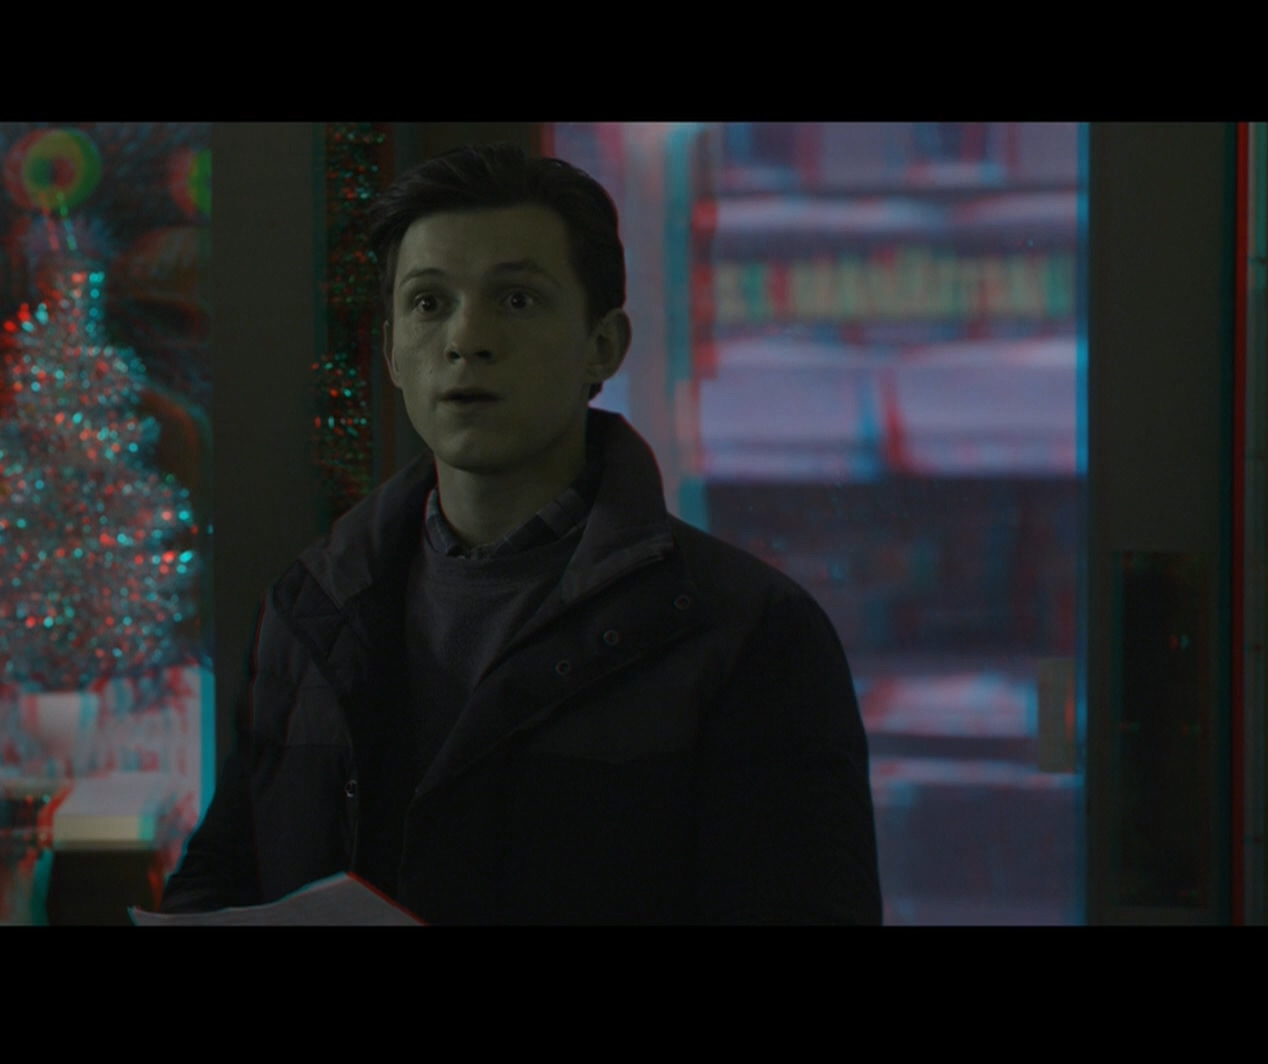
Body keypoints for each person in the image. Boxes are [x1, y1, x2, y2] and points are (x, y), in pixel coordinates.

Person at [159, 142, 881, 924]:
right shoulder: (313, 609)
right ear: (393, 351)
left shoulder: (747, 633)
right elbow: (223, 877)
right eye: (429, 303)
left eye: (516, 299)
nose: (466, 338)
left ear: (602, 347)